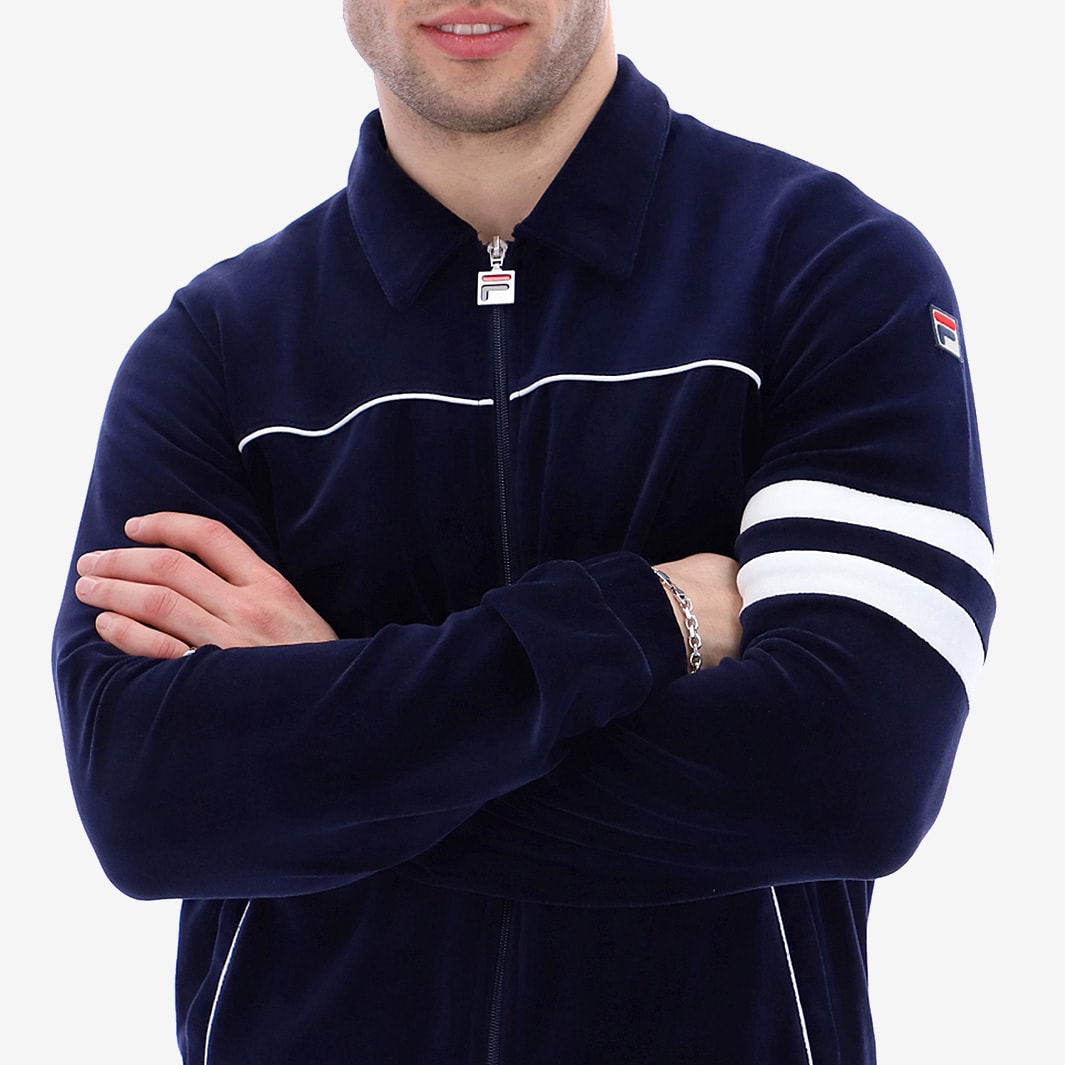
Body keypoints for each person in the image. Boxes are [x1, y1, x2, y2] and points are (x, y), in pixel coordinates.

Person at [52, 2, 995, 1063]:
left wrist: (331, 739)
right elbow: (147, 804)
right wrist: (643, 617)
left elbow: (854, 776)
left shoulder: (826, 270)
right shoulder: (215, 351)